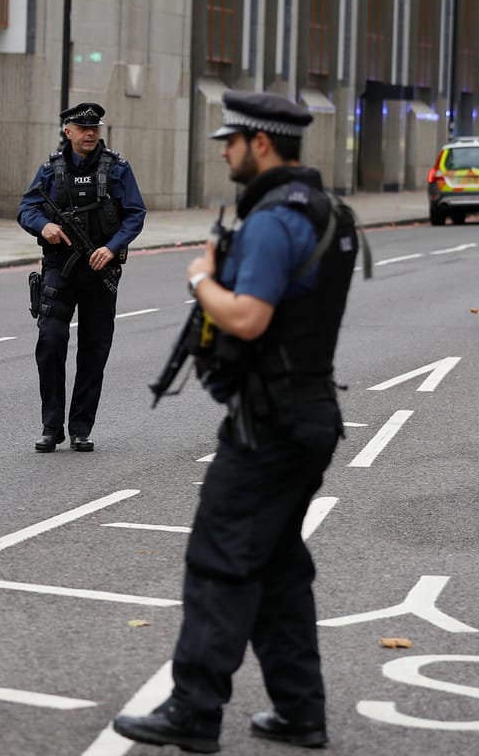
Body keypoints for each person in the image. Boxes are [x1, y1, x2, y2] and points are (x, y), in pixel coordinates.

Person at [113, 90, 360, 753]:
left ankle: (193, 714)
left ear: (263, 144)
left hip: (269, 426)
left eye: (232, 139)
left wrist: (200, 279)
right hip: (307, 413)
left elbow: (248, 317)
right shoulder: (326, 211)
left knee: (219, 560)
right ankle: (301, 712)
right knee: (278, 568)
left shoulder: (276, 220)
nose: (224, 149)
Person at [18, 102, 146, 452]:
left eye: (95, 128)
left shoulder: (117, 169)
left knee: (94, 349)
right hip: (60, 268)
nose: (90, 134)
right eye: (83, 128)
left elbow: (135, 213)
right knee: (50, 341)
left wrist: (113, 246)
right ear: (68, 131)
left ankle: (80, 428)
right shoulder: (50, 170)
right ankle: (50, 427)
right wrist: (43, 226)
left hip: (100, 268)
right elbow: (26, 208)